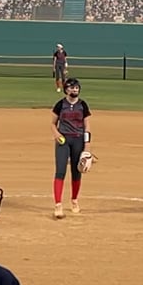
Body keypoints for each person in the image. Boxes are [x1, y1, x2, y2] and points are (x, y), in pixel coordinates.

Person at [52, 77, 91, 218]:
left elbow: (87, 127)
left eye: (76, 88)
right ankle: (58, 205)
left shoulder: (83, 105)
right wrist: (56, 134)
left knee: (76, 172)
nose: (75, 90)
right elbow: (53, 123)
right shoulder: (60, 105)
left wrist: (87, 146)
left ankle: (74, 200)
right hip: (63, 141)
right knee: (60, 171)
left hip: (78, 140)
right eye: (72, 87)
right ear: (66, 90)